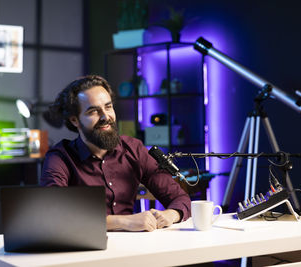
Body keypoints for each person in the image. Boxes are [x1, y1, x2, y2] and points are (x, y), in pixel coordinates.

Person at [40, 75, 191, 232]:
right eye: (93, 111)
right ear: (74, 120)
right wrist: (123, 222)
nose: (105, 116)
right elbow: (52, 211)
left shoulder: (134, 149)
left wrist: (170, 215)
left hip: (131, 248)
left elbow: (180, 198)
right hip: (84, 251)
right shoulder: (60, 157)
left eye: (108, 107)